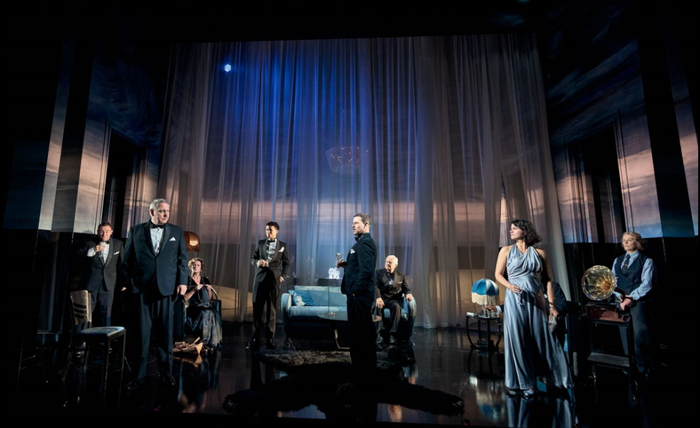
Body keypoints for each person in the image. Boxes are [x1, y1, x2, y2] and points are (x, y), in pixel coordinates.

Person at [494, 219, 573, 397]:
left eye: (515, 228)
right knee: (518, 339)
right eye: (511, 228)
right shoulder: (506, 251)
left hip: (537, 301)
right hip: (515, 301)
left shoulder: (540, 253)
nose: (511, 231)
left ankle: (555, 378)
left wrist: (552, 305)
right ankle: (525, 383)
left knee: (542, 338)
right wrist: (510, 286)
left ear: (525, 231)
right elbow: (497, 274)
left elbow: (548, 281)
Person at [122, 198, 188, 390]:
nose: (166, 214)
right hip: (142, 290)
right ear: (152, 212)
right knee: (141, 335)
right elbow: (127, 260)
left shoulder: (176, 231)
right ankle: (139, 376)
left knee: (165, 334)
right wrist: (128, 283)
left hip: (166, 289)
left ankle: (166, 374)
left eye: (167, 211)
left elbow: (182, 259)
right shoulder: (136, 230)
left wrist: (182, 282)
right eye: (161, 211)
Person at [337, 213, 377, 380]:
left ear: (366, 224)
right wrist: (346, 266)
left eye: (356, 223)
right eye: (352, 223)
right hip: (357, 295)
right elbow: (359, 268)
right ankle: (362, 369)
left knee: (360, 333)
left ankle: (363, 371)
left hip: (359, 296)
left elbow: (366, 272)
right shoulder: (360, 243)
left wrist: (355, 291)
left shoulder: (365, 242)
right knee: (358, 333)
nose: (352, 225)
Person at [612, 231, 656, 377]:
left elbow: (647, 284)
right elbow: (613, 281)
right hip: (621, 302)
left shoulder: (646, 261)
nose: (625, 242)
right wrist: (619, 296)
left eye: (629, 240)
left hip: (638, 303)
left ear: (637, 243)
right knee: (625, 336)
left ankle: (645, 369)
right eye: (623, 240)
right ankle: (631, 367)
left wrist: (631, 297)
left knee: (640, 337)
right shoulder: (617, 260)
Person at [248, 221, 290, 350]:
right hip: (260, 279)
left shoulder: (283, 245)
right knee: (257, 309)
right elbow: (253, 258)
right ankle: (255, 338)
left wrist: (282, 277)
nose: (268, 232)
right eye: (266, 229)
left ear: (277, 231)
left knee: (271, 310)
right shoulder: (261, 243)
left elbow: (286, 263)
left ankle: (270, 339)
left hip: (274, 280)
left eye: (270, 230)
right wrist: (257, 263)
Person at [76, 222, 124, 326]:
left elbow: (122, 265)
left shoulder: (118, 244)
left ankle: (104, 336)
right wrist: (93, 250)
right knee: (86, 315)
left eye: (107, 231)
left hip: (108, 285)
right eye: (101, 231)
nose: (104, 234)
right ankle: (82, 336)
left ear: (111, 232)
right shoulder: (89, 243)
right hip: (90, 284)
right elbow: (78, 257)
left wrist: (124, 282)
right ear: (98, 232)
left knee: (106, 316)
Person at [184, 257, 222, 354]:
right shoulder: (187, 280)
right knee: (206, 312)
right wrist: (194, 290)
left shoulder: (205, 280)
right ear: (190, 267)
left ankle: (205, 343)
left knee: (209, 312)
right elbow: (184, 299)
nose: (195, 267)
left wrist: (209, 290)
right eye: (194, 265)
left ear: (201, 268)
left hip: (205, 307)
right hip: (193, 308)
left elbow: (210, 299)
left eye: (198, 265)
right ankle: (205, 344)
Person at [374, 255, 414, 344]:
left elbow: (406, 288)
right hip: (381, 298)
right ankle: (380, 334)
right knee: (378, 307)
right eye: (386, 261)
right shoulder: (378, 273)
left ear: (395, 265)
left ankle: (393, 334)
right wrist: (378, 298)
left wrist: (408, 294)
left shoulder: (401, 276)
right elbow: (375, 286)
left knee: (396, 307)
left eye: (390, 262)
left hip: (392, 299)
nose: (387, 263)